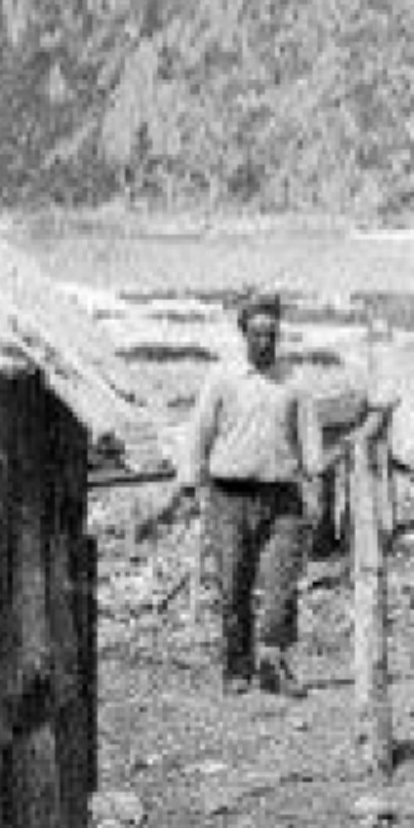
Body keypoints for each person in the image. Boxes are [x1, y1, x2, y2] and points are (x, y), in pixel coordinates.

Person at [178, 292, 330, 697]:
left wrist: (316, 485)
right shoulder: (223, 378)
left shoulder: (293, 381)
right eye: (257, 333)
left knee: (281, 585)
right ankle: (237, 665)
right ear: (243, 333)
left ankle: (274, 663)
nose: (265, 341)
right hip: (230, 495)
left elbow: (310, 439)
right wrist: (191, 483)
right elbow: (200, 431)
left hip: (283, 496)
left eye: (272, 334)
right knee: (233, 585)